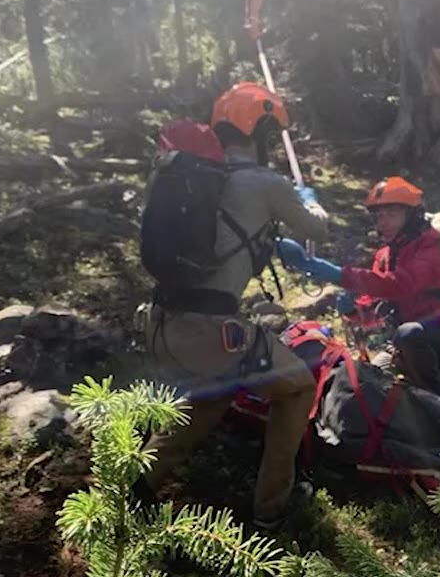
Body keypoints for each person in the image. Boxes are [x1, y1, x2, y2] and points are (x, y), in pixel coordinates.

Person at [139, 82, 330, 531]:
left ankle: (136, 484)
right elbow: (317, 230)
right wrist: (309, 200)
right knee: (298, 386)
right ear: (262, 133)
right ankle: (271, 508)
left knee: (214, 394)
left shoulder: (186, 174)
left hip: (159, 323)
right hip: (209, 332)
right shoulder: (266, 182)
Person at [275, 176, 440, 398]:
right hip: (406, 347)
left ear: (412, 217)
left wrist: (337, 274)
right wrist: (353, 311)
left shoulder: (432, 249)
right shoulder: (386, 256)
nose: (382, 223)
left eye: (391, 215)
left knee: (408, 333)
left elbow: (398, 286)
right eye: (378, 216)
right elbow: (379, 310)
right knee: (365, 380)